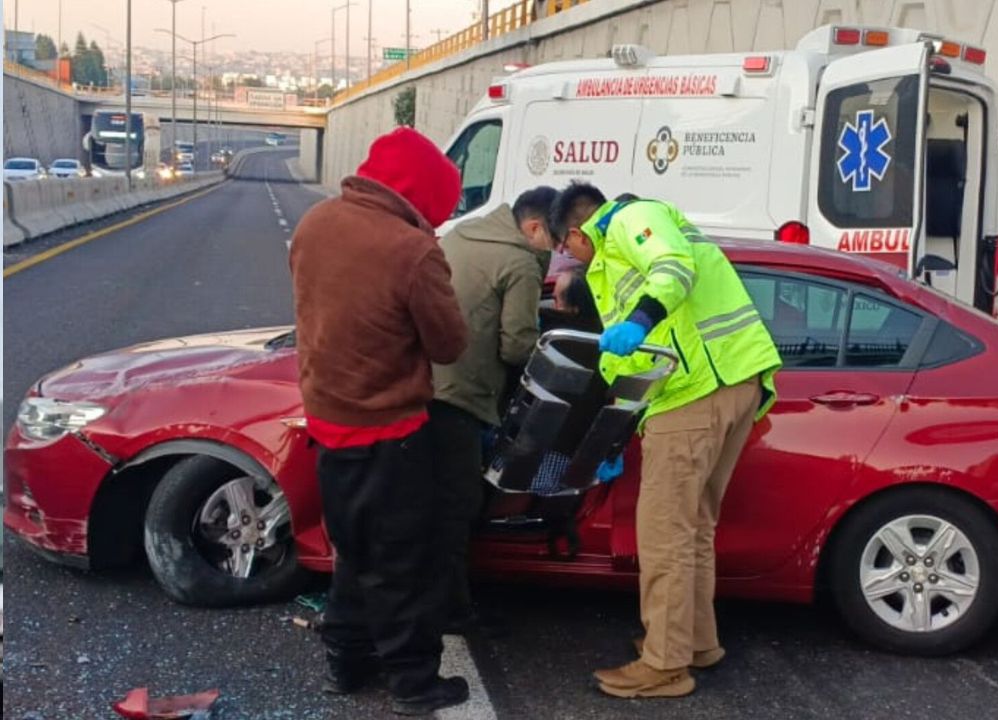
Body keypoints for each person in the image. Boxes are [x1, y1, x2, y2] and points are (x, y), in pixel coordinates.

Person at [547, 182, 782, 699]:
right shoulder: (614, 262)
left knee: (663, 534)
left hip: (695, 391)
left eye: (566, 249)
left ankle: (665, 665)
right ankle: (695, 642)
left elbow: (673, 268)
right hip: (728, 382)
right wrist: (616, 434)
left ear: (575, 232)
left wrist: (638, 321)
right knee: (693, 527)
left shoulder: (629, 221)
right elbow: (630, 359)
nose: (571, 259)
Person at [289, 126, 471, 717]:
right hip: (390, 432)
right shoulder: (411, 250)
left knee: (353, 553)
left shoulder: (315, 223)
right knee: (402, 563)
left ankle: (346, 662)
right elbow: (449, 346)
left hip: (327, 422)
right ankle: (415, 683)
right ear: (421, 196)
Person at [429, 186, 559, 633]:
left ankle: (436, 601)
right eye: (555, 242)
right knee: (459, 507)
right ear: (535, 228)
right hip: (464, 394)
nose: (556, 252)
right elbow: (516, 345)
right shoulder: (520, 261)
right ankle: (451, 611)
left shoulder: (463, 234)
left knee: (429, 502)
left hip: (423, 384)